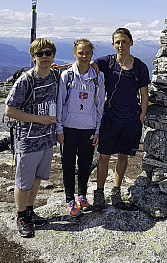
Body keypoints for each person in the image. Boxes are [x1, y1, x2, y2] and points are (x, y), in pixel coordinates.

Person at [5, 38, 59, 238]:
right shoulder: (25, 80)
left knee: (37, 178)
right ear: (33, 56)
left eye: (48, 53)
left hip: (46, 139)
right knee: (23, 181)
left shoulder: (55, 75)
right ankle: (21, 216)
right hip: (27, 140)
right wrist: (40, 119)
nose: (44, 57)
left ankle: (29, 210)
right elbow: (9, 110)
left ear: (53, 55)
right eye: (39, 54)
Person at [92, 28, 150, 210]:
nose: (121, 45)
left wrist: (141, 117)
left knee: (123, 155)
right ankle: (99, 193)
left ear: (131, 42)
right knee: (104, 156)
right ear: (113, 44)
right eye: (117, 42)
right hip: (110, 118)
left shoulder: (140, 67)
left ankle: (116, 192)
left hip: (130, 119)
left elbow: (144, 95)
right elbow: (84, 63)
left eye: (124, 41)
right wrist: (61, 68)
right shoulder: (108, 62)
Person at [56, 39, 105, 217]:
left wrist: (98, 129)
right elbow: (60, 103)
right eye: (81, 53)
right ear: (75, 54)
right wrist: (59, 129)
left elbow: (100, 104)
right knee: (68, 165)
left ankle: (82, 196)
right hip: (69, 127)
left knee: (85, 164)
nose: (84, 56)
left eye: (88, 53)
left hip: (89, 128)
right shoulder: (66, 76)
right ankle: (70, 199)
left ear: (92, 55)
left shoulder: (98, 77)